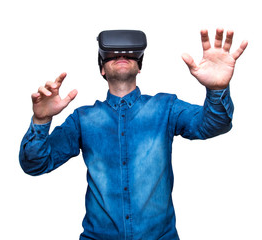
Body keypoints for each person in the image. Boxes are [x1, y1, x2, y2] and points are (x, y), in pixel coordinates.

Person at [19, 28, 248, 240]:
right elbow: (35, 165)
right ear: (101, 69)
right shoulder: (82, 119)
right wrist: (41, 120)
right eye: (112, 54)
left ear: (139, 67)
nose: (121, 54)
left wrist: (217, 89)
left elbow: (215, 124)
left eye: (130, 54)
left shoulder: (166, 107)